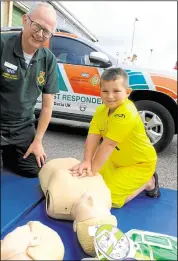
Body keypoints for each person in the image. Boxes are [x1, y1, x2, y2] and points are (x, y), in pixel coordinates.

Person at [70, 68, 161, 208]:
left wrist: (92, 172)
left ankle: (148, 182)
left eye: (116, 91)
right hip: (115, 159)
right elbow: (93, 135)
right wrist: (87, 161)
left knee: (107, 200)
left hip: (139, 163)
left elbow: (108, 145)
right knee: (90, 185)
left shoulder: (127, 113)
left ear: (127, 92)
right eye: (105, 91)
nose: (110, 96)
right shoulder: (101, 110)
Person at [0, 2, 59, 177]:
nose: (40, 34)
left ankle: (9, 152)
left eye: (46, 31)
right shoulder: (2, 45)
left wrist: (38, 141)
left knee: (35, 170)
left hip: (23, 128)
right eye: (37, 26)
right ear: (26, 20)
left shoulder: (49, 60)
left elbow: (47, 107)